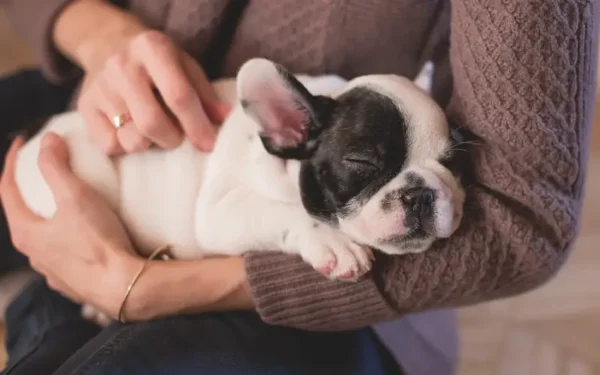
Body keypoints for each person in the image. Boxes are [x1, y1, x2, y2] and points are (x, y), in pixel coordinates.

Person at [0, 0, 597, 374]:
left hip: (276, 296)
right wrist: (94, 29)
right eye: (368, 168)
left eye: (447, 165)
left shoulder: (345, 128)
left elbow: (526, 219)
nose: (420, 194)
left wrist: (144, 288)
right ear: (285, 130)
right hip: (101, 131)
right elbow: (218, 220)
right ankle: (55, 309)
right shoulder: (294, 128)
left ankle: (52, 312)